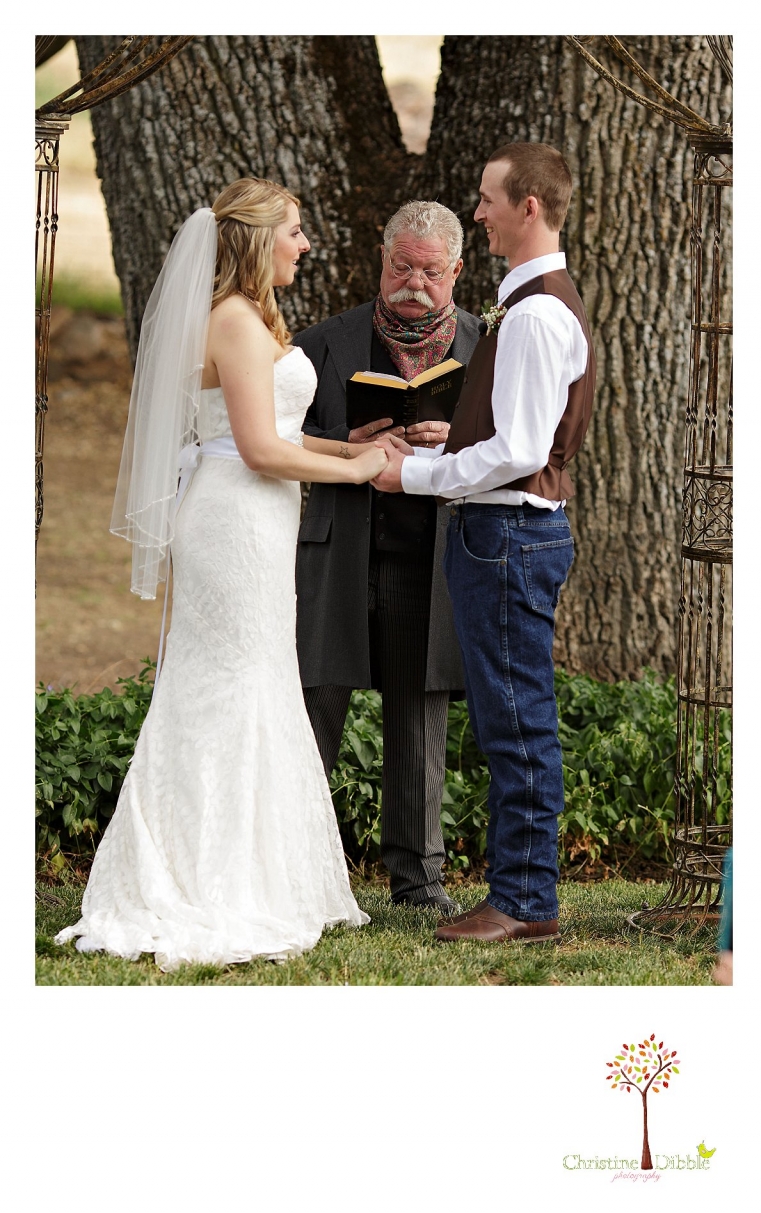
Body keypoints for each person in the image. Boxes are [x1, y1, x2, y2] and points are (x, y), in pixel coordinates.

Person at [55, 178, 388, 971]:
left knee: (256, 675)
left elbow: (274, 431)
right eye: (294, 231)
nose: (305, 245)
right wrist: (356, 471)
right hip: (234, 519)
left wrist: (354, 445)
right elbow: (262, 451)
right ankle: (207, 877)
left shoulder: (250, 317)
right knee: (227, 680)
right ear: (257, 239)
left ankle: (258, 870)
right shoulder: (234, 320)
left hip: (257, 516)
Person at [373, 144, 596, 943]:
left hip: (507, 536)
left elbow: (522, 450)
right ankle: (521, 892)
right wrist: (449, 445)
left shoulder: (533, 314)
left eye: (488, 198)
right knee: (511, 715)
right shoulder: (532, 301)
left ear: (528, 206)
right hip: (505, 533)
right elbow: (511, 435)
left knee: (516, 720)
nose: (478, 212)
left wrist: (417, 476)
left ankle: (525, 901)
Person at [293, 201, 483, 913]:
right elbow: (275, 439)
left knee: (417, 719)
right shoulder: (324, 342)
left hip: (432, 559)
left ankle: (419, 883)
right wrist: (348, 442)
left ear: (456, 270)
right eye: (401, 266)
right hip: (339, 550)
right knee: (312, 709)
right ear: (382, 256)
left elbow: (518, 444)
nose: (413, 284)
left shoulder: (488, 346)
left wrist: (458, 443)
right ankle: (293, 873)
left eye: (430, 272)